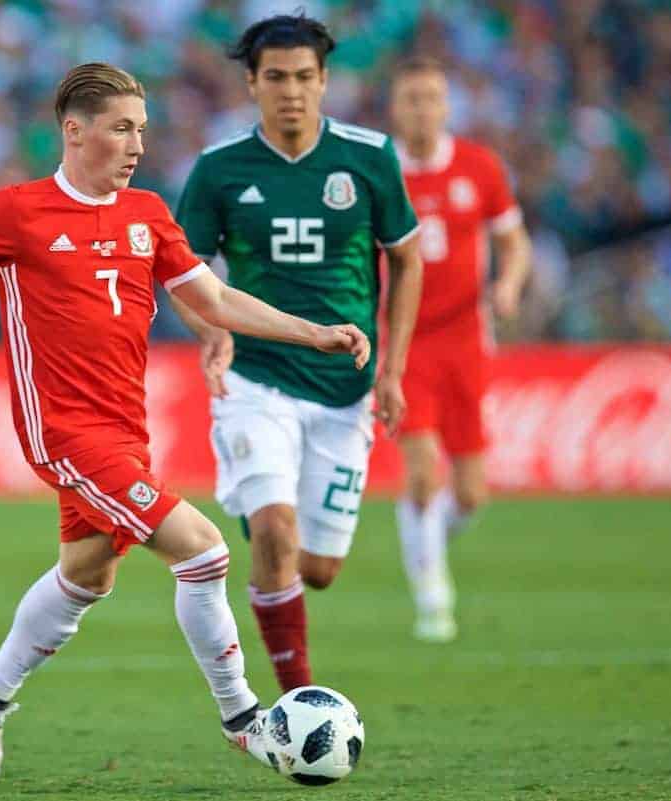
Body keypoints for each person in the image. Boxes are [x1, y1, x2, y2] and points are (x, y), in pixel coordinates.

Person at [0, 62, 372, 780]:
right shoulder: (17, 211)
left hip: (125, 429)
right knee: (204, 550)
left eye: (142, 131)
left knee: (89, 574)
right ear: (75, 130)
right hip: (62, 432)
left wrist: (313, 331)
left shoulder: (148, 215)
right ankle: (244, 718)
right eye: (122, 129)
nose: (136, 146)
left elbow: (213, 299)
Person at [171, 14, 423, 692]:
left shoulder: (370, 157)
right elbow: (180, 274)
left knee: (317, 568)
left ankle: (268, 520)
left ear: (325, 81)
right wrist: (210, 330)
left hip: (346, 388)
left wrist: (393, 371)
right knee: (277, 533)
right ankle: (297, 702)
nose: (292, 92)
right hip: (256, 380)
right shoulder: (220, 170)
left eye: (305, 78)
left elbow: (407, 258)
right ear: (252, 82)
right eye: (276, 77)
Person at [388, 56, 533, 642]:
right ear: (395, 108)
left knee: (470, 493)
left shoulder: (479, 166)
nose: (422, 109)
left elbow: (514, 242)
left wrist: (509, 283)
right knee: (423, 472)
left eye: (431, 98)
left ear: (447, 106)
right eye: (411, 98)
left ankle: (420, 540)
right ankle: (433, 596)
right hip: (403, 341)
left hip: (466, 340)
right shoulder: (376, 172)